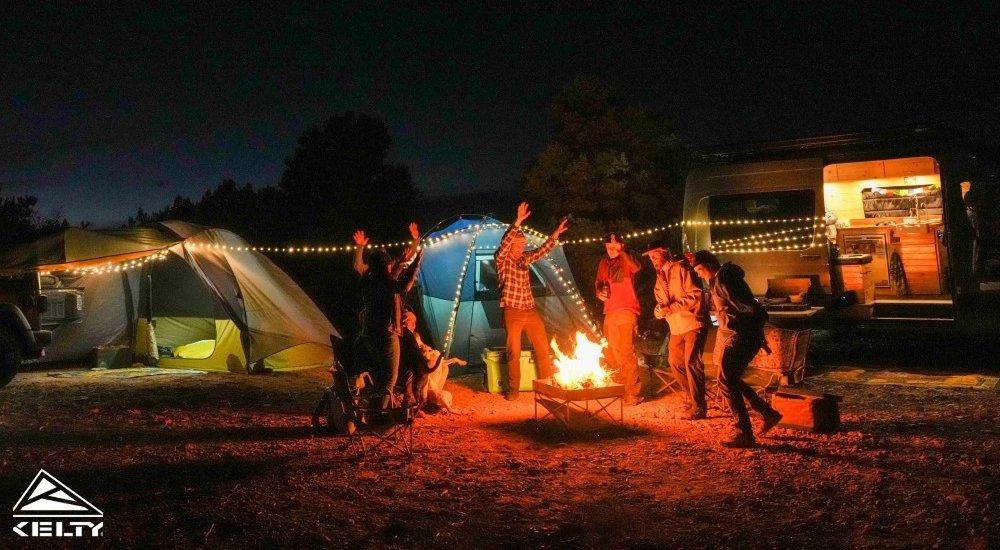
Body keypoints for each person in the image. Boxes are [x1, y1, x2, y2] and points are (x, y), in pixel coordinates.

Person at [690, 250, 781, 448]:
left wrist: (754, 331)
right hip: (741, 334)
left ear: (708, 264)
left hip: (742, 335)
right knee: (729, 378)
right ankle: (767, 413)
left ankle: (744, 432)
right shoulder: (718, 279)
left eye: (699, 269)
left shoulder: (725, 280)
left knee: (726, 379)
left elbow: (749, 307)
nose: (698, 274)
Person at [494, 201, 570, 400]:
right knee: (514, 352)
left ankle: (547, 386)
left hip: (530, 311)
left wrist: (556, 234)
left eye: (523, 245)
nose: (521, 248)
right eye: (517, 245)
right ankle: (513, 390)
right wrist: (518, 221)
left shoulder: (524, 259)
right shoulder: (502, 260)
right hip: (513, 312)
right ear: (510, 245)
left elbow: (543, 250)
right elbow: (504, 244)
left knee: (543, 348)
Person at [353, 223, 422, 410]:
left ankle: (393, 402)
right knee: (390, 379)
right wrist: (417, 262)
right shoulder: (384, 282)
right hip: (386, 333)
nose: (392, 264)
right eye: (390, 263)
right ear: (385, 267)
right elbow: (404, 285)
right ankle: (381, 414)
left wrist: (415, 242)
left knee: (385, 374)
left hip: (370, 333)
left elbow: (359, 266)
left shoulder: (369, 279)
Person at [644, 246, 710, 419]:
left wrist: (670, 308)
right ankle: (694, 397)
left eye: (655, 256)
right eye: (650, 258)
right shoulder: (659, 279)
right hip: (676, 327)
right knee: (675, 362)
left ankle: (699, 406)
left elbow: (695, 294)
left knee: (691, 363)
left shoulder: (681, 269)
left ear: (665, 254)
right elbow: (661, 303)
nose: (652, 260)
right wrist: (658, 311)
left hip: (692, 322)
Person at [595, 232, 642, 405]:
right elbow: (598, 283)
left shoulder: (627, 260)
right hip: (610, 312)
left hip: (627, 310)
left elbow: (636, 268)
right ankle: (624, 388)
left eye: (615, 246)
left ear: (622, 246)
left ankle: (632, 394)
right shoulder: (603, 263)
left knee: (626, 351)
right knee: (614, 352)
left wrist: (621, 251)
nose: (611, 249)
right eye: (608, 246)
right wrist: (599, 292)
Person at [399, 309, 467, 413]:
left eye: (414, 323)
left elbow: (421, 347)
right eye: (412, 322)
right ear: (406, 322)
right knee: (419, 386)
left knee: (444, 366)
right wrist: (427, 352)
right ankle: (418, 404)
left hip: (425, 368)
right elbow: (416, 353)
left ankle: (425, 402)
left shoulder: (414, 336)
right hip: (418, 368)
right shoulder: (408, 335)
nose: (414, 325)